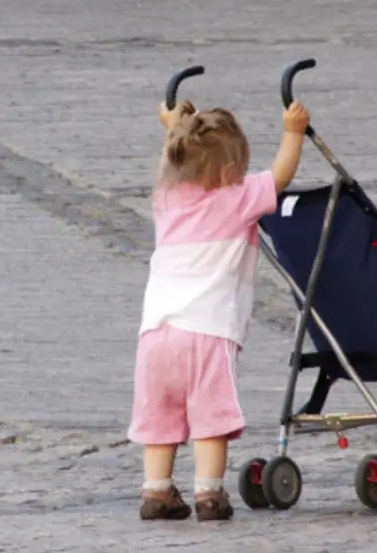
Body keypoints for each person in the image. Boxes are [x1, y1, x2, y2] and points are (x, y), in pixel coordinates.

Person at [128, 96, 310, 522]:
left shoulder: (167, 198)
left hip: (156, 333)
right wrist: (293, 132)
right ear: (230, 172)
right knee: (209, 417)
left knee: (161, 414)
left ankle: (156, 492)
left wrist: (172, 128)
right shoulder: (236, 198)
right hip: (208, 331)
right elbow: (281, 175)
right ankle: (209, 495)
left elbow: (173, 163)